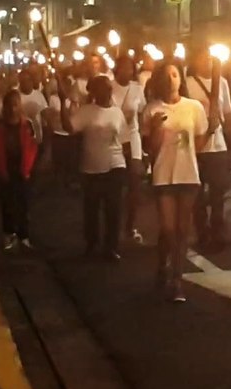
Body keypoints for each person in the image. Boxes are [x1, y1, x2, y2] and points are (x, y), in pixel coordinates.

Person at [143, 58, 210, 302]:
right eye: (167, 75)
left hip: (188, 175)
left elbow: (200, 142)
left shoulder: (194, 107)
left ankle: (177, 279)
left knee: (183, 230)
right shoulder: (151, 109)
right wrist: (157, 130)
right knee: (168, 229)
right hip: (163, 175)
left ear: (181, 79)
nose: (171, 79)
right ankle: (163, 263)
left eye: (175, 74)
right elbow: (151, 150)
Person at [64, 75, 131, 260]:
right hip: (91, 168)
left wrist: (131, 162)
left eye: (109, 88)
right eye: (103, 88)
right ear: (94, 92)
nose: (108, 91)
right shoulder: (86, 112)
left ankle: (111, 247)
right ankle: (92, 243)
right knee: (91, 208)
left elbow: (125, 140)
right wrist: (64, 102)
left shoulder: (117, 113)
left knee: (113, 208)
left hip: (115, 165)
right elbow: (70, 127)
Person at [186, 51, 231, 250]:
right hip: (196, 146)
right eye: (202, 56)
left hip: (218, 146)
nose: (206, 60)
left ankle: (218, 230)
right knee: (198, 193)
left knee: (218, 191)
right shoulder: (187, 82)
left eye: (209, 58)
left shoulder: (221, 82)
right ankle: (202, 231)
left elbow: (228, 113)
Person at [0, 89, 39, 249]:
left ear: (20, 106)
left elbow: (33, 146)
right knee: (7, 203)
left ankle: (24, 235)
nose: (12, 109)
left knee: (23, 204)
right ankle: (9, 234)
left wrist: (29, 168)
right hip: (4, 169)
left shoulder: (27, 124)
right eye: (9, 105)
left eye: (15, 105)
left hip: (23, 169)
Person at [112, 57, 148, 245]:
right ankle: (114, 225)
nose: (127, 71)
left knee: (135, 185)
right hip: (114, 140)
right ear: (116, 69)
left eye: (130, 68)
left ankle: (130, 226)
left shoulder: (137, 89)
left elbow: (141, 115)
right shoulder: (108, 87)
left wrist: (143, 144)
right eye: (123, 68)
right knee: (115, 186)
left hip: (132, 139)